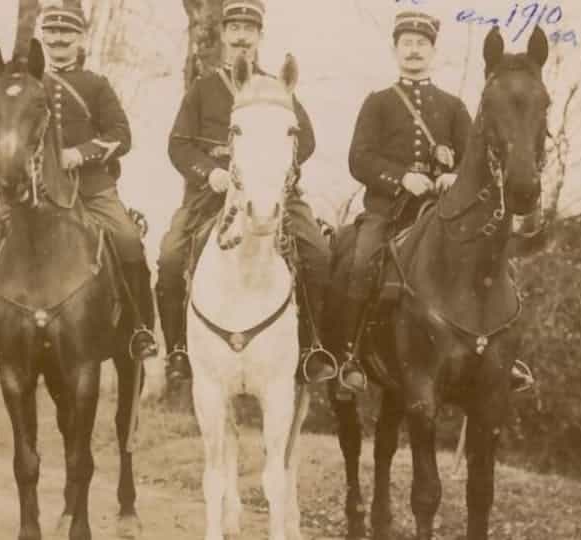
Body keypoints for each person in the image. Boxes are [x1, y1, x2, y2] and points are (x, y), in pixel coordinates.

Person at [344, 10, 533, 391]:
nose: (414, 51)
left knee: (496, 263)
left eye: (421, 44)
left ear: (432, 51)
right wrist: (401, 178)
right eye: (407, 44)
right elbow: (359, 158)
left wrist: (453, 176)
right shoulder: (377, 102)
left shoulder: (453, 106)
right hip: (389, 209)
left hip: (446, 212)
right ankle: (351, 354)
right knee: (362, 258)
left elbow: (475, 159)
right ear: (396, 50)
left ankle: (504, 357)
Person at [0, 0, 158, 363]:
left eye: (66, 32)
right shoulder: (26, 86)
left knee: (128, 241)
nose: (58, 39)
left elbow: (121, 135)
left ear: (79, 38)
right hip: (38, 191)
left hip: (92, 190)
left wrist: (80, 153)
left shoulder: (96, 86)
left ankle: (139, 328)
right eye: (51, 31)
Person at [156, 0, 335, 385]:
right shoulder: (203, 89)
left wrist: (273, 170)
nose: (241, 37)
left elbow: (306, 140)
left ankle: (311, 348)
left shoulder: (275, 86)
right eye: (233, 28)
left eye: (248, 30)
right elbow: (178, 145)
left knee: (318, 253)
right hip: (213, 194)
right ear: (222, 34)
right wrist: (211, 173)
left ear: (259, 36)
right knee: (171, 256)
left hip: (270, 192)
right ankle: (178, 351)